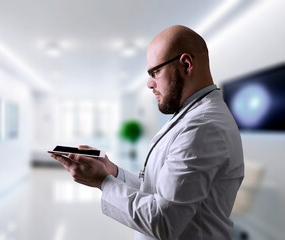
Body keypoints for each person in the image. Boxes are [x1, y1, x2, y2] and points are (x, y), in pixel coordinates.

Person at [51, 25, 244, 240]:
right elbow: (158, 193)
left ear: (186, 65)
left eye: (155, 72)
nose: (149, 83)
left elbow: (163, 221)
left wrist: (103, 182)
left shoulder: (204, 128)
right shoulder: (191, 116)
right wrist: (112, 171)